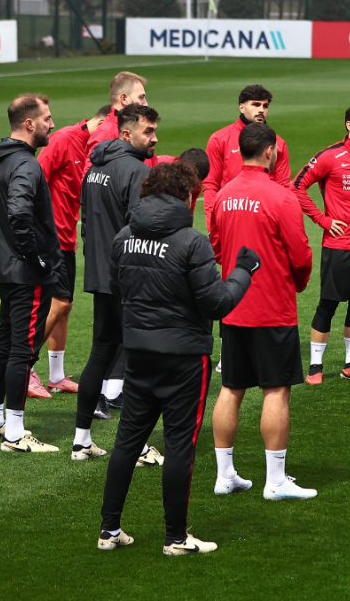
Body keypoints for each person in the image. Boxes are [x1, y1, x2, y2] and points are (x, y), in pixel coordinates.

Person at [98, 161, 258, 555]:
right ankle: (175, 538)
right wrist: (243, 271)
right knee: (179, 446)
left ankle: (109, 530)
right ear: (188, 195)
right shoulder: (191, 241)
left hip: (138, 353)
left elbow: (120, 289)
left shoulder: (124, 236)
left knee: (127, 443)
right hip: (185, 357)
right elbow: (218, 302)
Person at [209, 123, 315, 500]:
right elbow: (301, 254)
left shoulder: (223, 195)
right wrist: (296, 283)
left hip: (233, 306)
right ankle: (275, 481)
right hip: (273, 307)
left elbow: (217, 247)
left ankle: (225, 475)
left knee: (231, 388)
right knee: (276, 390)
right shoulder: (281, 197)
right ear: (270, 152)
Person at [73, 104, 165, 466]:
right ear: (127, 134)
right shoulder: (136, 171)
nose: (154, 138)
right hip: (127, 279)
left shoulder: (94, 167)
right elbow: (139, 229)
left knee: (101, 350)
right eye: (148, 131)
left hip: (99, 275)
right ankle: (139, 447)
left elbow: (87, 223)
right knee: (139, 361)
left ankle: (81, 441)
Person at [0, 93, 62, 452]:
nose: (52, 124)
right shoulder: (27, 164)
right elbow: (19, 214)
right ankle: (14, 433)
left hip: (6, 269)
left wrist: (3, 245)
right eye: (47, 118)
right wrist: (36, 258)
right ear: (29, 124)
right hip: (27, 274)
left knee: (5, 341)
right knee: (22, 350)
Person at [294, 103, 350, 384]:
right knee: (328, 304)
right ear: (349, 125)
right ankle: (314, 368)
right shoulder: (330, 156)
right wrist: (323, 220)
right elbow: (297, 186)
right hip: (339, 246)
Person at [34, 105, 111, 397]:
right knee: (59, 304)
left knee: (65, 309)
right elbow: (35, 180)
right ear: (102, 123)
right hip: (50, 238)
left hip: (66, 238)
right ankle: (26, 366)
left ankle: (56, 375)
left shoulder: (91, 148)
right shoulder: (64, 139)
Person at [203, 84, 291, 233]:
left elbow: (283, 188)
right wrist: (214, 225)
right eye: (255, 104)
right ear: (241, 107)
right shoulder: (220, 139)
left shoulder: (279, 144)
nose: (261, 110)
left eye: (265, 106)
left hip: (264, 222)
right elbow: (211, 185)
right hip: (229, 219)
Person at [85, 72, 149, 158]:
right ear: (124, 99)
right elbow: (94, 170)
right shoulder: (105, 135)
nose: (146, 104)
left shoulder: (139, 130)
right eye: (141, 97)